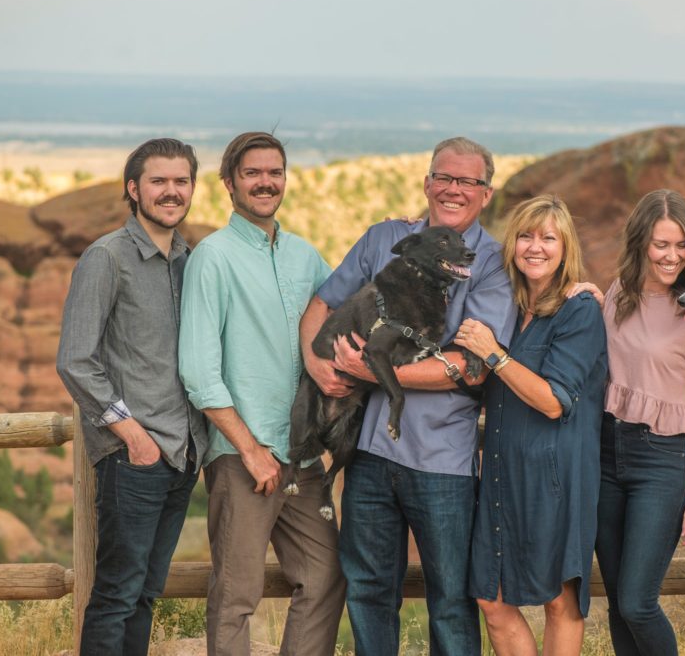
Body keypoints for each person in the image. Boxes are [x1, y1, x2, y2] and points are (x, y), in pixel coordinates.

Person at [301, 136, 518, 655]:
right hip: (370, 452)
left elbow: (470, 369)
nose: (453, 189)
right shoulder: (384, 239)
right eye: (444, 177)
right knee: (370, 591)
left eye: (468, 181)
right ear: (427, 184)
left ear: (486, 194)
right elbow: (322, 302)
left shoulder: (491, 264)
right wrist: (315, 362)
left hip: (441, 460)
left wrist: (375, 372)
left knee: (450, 599)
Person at [178, 132, 345, 655]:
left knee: (324, 579)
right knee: (236, 595)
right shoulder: (214, 257)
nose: (265, 182)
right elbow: (198, 371)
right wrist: (250, 450)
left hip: (302, 455)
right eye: (252, 173)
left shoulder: (303, 255)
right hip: (242, 456)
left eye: (274, 172)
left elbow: (355, 310)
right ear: (229, 183)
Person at [57, 138, 209, 656]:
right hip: (135, 457)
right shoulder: (107, 258)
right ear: (133, 189)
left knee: (145, 592)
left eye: (181, 181)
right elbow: (76, 359)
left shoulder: (190, 260)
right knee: (117, 594)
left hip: (184, 454)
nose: (172, 192)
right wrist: (131, 434)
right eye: (159, 181)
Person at [456, 195, 607, 656]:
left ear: (565, 248)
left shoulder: (579, 310)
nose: (535, 247)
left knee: (559, 600)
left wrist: (493, 355)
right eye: (525, 236)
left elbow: (553, 401)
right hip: (502, 471)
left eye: (548, 238)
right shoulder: (508, 307)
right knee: (491, 596)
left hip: (555, 474)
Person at [593, 189, 685, 656]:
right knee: (616, 604)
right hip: (606, 453)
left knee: (637, 602)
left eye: (681, 245)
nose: (672, 256)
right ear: (640, 243)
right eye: (661, 244)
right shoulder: (617, 294)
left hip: (663, 461)